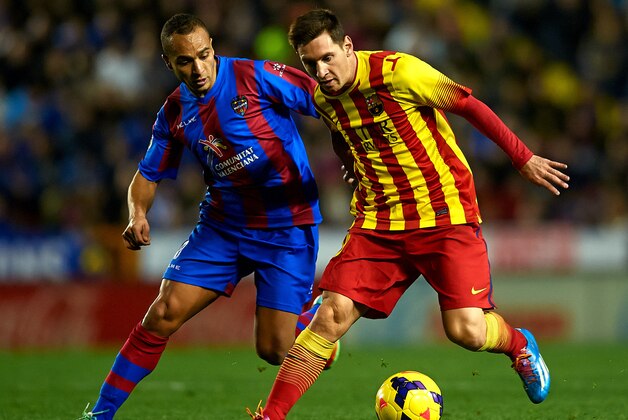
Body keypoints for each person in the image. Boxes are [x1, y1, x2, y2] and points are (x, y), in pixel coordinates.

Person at [247, 8, 570, 419]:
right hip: (379, 222)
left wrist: (522, 158)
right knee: (330, 318)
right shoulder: (323, 99)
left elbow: (468, 105)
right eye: (310, 64)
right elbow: (341, 133)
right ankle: (270, 415)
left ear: (348, 45)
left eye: (327, 58)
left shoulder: (399, 72)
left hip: (443, 213)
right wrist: (350, 159)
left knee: (466, 330)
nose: (321, 71)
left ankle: (520, 346)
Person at [78, 12, 339, 420]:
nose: (198, 68)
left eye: (204, 55)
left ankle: (315, 326)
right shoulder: (173, 114)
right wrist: (138, 213)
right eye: (185, 61)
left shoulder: (257, 77)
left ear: (213, 46)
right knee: (162, 313)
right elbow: (146, 175)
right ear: (169, 63)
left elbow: (328, 100)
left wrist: (359, 156)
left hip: (285, 226)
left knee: (274, 351)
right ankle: (99, 415)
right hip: (223, 227)